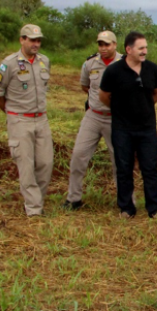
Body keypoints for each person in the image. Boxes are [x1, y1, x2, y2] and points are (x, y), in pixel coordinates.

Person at [99, 31, 157, 219]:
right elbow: (104, 96)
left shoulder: (152, 69)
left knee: (150, 169)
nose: (145, 51)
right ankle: (126, 208)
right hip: (122, 129)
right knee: (124, 168)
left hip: (147, 128)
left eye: (146, 48)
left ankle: (154, 208)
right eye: (141, 48)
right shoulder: (113, 71)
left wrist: (143, 108)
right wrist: (121, 109)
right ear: (128, 49)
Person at [0, 24, 53, 217]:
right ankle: (34, 210)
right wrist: (11, 113)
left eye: (38, 40)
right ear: (22, 40)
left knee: (45, 163)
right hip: (19, 120)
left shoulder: (44, 61)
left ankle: (36, 201)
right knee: (26, 166)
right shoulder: (9, 64)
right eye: (32, 40)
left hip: (41, 119)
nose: (36, 44)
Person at [63, 31, 122, 210]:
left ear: (115, 45)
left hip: (116, 118)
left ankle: (126, 201)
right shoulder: (90, 63)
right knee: (78, 156)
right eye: (100, 44)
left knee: (120, 161)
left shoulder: (125, 63)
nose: (103, 48)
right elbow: (85, 86)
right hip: (93, 115)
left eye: (107, 44)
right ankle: (73, 198)